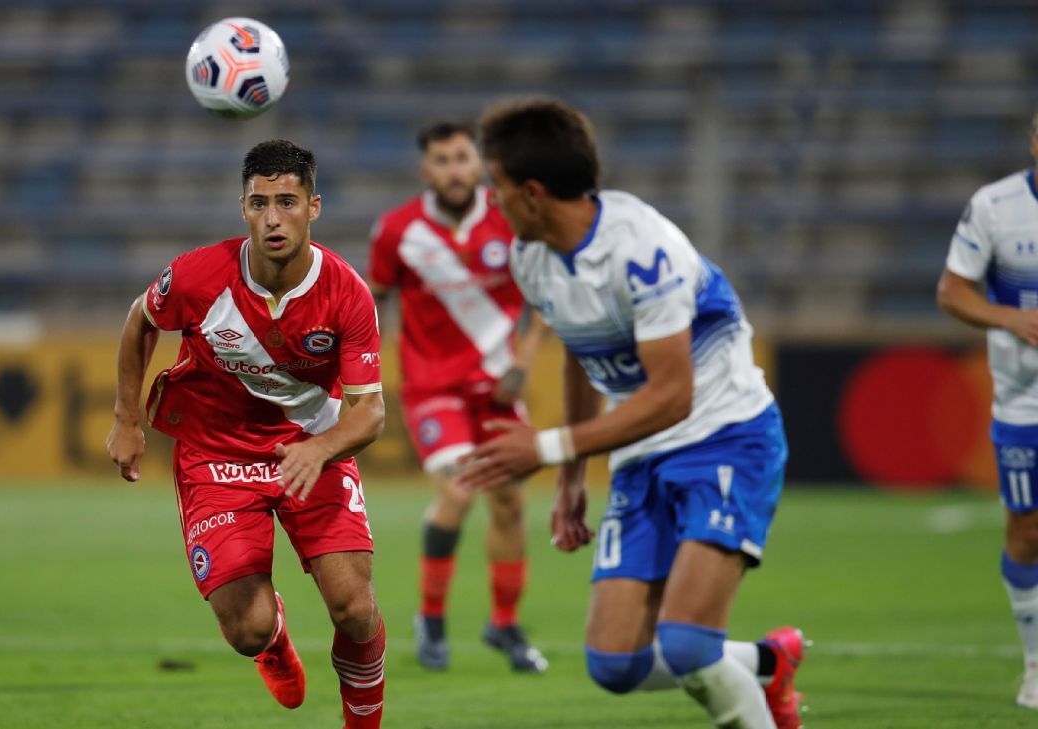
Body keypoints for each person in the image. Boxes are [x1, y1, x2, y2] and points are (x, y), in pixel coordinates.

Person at [458, 99, 805, 729]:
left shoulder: (645, 250)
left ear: (532, 193)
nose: (492, 200)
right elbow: (577, 351)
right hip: (644, 455)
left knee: (689, 647)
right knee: (615, 665)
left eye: (497, 185)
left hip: (727, 438)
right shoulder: (530, 258)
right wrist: (569, 480)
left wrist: (548, 448)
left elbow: (675, 396)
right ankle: (768, 663)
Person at [106, 140, 387, 728]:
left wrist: (321, 447)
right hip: (216, 452)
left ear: (315, 207)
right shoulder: (197, 275)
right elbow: (141, 321)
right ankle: (274, 640)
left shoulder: (347, 294)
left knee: (355, 608)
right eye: (260, 203)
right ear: (243, 208)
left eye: (287, 202)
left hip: (310, 446)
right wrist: (126, 419)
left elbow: (369, 413)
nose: (273, 218)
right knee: (246, 630)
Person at [366, 121, 548, 673]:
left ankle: (504, 625)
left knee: (511, 501)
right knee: (463, 489)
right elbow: (371, 301)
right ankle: (432, 619)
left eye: (462, 158)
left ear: (480, 163)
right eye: (441, 161)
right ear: (426, 171)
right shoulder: (397, 231)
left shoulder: (510, 218)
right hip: (433, 390)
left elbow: (543, 295)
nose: (453, 170)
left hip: (497, 387)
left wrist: (522, 364)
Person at [937, 113, 1038, 710]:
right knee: (1026, 530)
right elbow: (952, 291)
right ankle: (1034, 660)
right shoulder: (994, 206)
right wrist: (1011, 318)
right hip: (1023, 397)